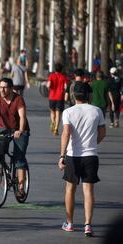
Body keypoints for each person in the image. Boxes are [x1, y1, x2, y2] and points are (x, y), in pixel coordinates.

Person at [58, 81, 105, 237]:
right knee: (88, 190)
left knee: (70, 189)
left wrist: (62, 155)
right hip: (91, 155)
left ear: (73, 95)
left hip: (73, 155)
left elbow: (66, 133)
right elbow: (102, 133)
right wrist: (92, 143)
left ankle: (69, 223)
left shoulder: (68, 112)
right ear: (89, 95)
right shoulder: (97, 111)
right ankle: (87, 225)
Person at [47, 63, 68, 136]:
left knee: (52, 111)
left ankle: (53, 121)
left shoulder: (51, 76)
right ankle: (56, 128)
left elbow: (48, 85)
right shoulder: (63, 77)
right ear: (61, 69)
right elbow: (65, 87)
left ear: (54, 69)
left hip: (52, 96)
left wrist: (49, 88)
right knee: (58, 113)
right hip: (60, 97)